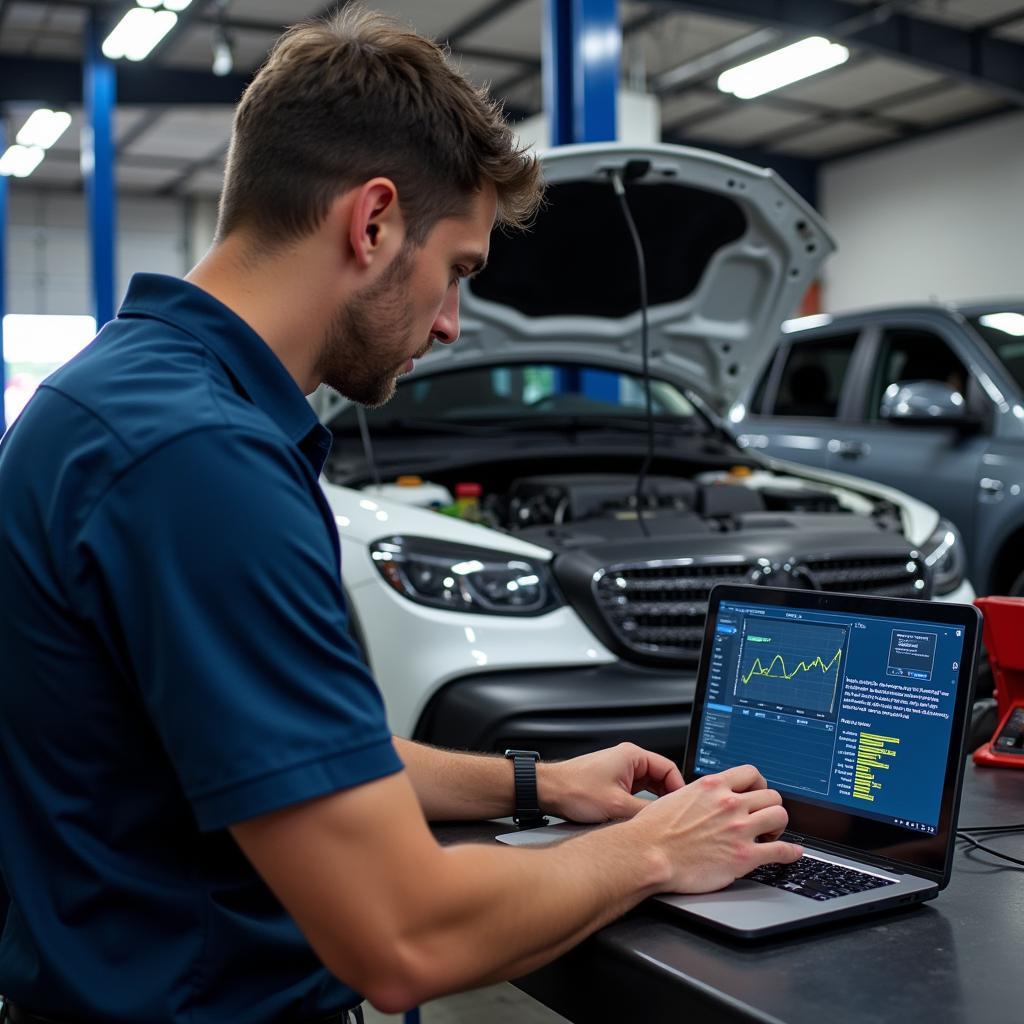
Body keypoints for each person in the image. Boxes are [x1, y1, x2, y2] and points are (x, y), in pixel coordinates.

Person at [0, 9, 802, 1023]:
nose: (453, 322)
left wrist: (540, 783)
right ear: (372, 222)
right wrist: (656, 844)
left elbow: (298, 762)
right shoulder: (198, 464)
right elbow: (401, 932)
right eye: (459, 269)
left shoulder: (127, 400)